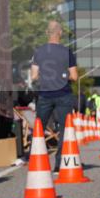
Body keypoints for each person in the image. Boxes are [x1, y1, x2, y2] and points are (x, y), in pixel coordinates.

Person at [30, 20, 78, 172]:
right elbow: (75, 77)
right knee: (65, 129)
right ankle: (59, 164)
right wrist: (62, 75)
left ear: (46, 33)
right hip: (63, 93)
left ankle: (36, 162)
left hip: (45, 94)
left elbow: (34, 76)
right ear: (60, 33)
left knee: (39, 127)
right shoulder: (67, 52)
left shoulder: (38, 52)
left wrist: (46, 76)